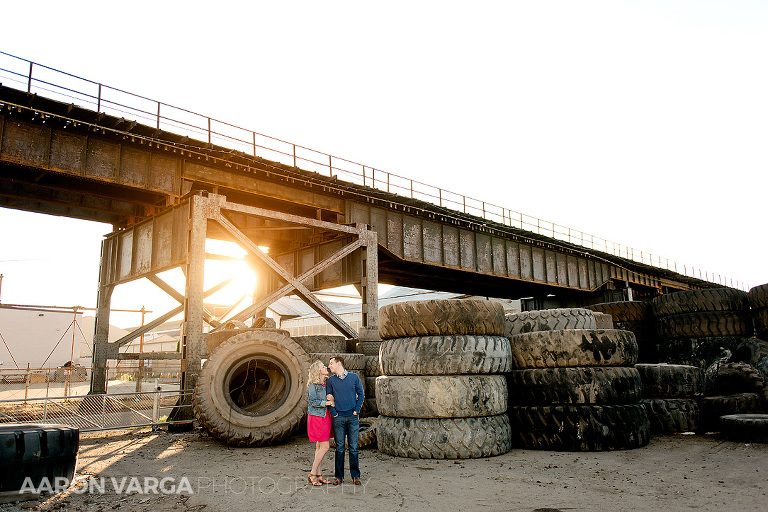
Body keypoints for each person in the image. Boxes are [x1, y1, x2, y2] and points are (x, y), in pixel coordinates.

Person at [326, 355, 364, 485]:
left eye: (331, 363)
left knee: (353, 447)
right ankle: (339, 477)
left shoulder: (354, 377)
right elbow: (329, 399)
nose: (329, 366)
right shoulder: (331, 381)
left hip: (353, 417)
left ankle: (355, 476)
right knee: (340, 448)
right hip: (339, 418)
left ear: (339, 364)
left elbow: (361, 394)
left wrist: (356, 410)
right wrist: (334, 414)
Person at [306, 360, 334, 486]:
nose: (326, 367)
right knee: (325, 446)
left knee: (319, 447)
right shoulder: (313, 385)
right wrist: (327, 403)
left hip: (324, 416)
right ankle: (312, 473)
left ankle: (319, 474)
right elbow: (313, 402)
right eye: (323, 366)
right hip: (317, 417)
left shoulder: (325, 384)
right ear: (318, 371)